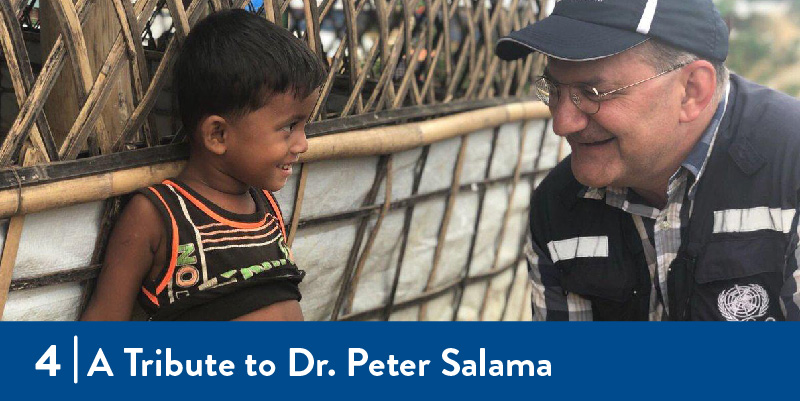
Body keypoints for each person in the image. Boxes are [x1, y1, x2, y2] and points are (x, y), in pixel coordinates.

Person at [495, 0, 800, 320]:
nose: (562, 123)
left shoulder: (790, 167)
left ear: (692, 90)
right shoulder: (557, 205)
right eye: (554, 90)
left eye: (593, 92)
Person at [81, 9, 326, 320]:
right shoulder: (160, 215)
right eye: (290, 127)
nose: (303, 144)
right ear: (218, 134)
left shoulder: (265, 207)